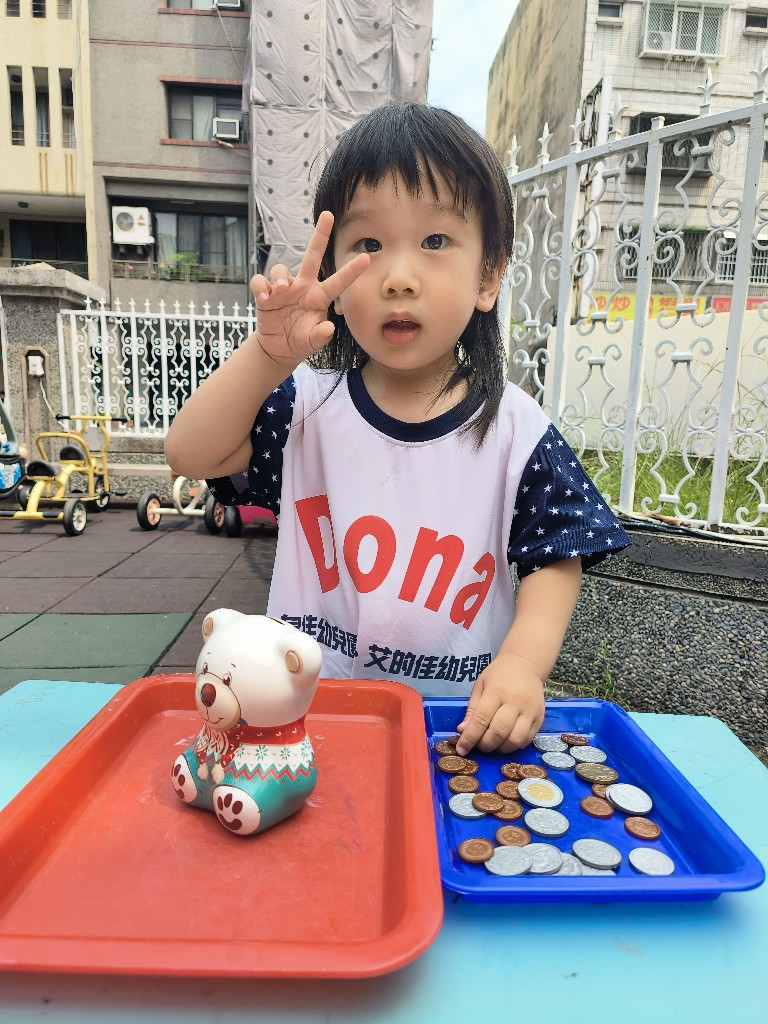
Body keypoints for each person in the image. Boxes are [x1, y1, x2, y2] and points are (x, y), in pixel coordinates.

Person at [165, 103, 630, 756]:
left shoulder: (516, 430)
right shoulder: (305, 408)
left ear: (489, 276)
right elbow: (191, 453)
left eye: (435, 241)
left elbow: (556, 554)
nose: (399, 278)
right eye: (368, 245)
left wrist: (523, 665)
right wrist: (267, 358)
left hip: (451, 733)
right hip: (306, 723)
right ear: (335, 275)